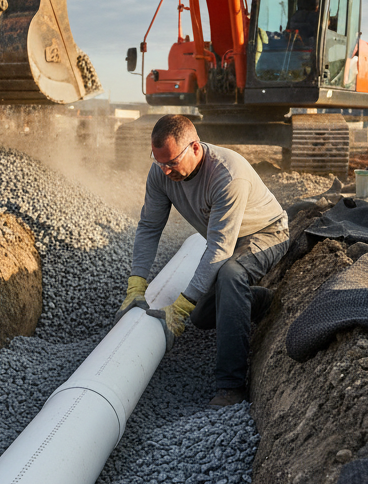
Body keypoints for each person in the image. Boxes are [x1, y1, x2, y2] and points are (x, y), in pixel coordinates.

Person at [116, 114, 289, 408]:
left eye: (171, 162)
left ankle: (231, 386)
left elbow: (220, 249)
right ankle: (260, 303)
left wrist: (181, 306)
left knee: (230, 275)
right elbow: (149, 227)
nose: (165, 170)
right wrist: (136, 283)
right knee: (201, 317)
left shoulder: (226, 175)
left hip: (266, 233)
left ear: (195, 148)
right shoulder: (161, 173)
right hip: (228, 238)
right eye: (159, 162)